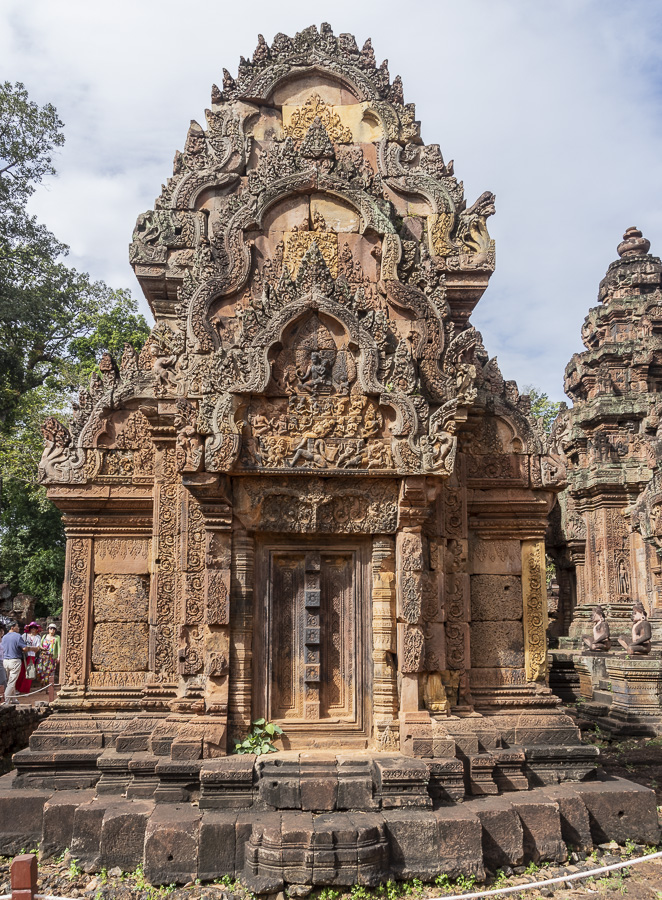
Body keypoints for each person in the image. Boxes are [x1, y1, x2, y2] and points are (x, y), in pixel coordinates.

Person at [1, 621, 28, 700]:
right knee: (11, 682)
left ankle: (13, 699)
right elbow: (24, 648)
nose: (18, 628)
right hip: (15, 661)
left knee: (10, 681)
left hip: (5, 661)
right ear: (12, 627)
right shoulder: (18, 636)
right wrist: (32, 648)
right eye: (17, 626)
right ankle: (5, 700)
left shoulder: (4, 637)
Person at [17, 622, 42, 693]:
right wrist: (31, 648)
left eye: (35, 628)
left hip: (32, 656)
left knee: (30, 672)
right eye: (32, 627)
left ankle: (25, 690)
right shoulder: (24, 636)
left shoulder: (38, 637)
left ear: (37, 629)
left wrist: (28, 648)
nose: (33, 629)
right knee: (21, 672)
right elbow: (21, 646)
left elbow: (37, 648)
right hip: (23, 656)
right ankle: (17, 688)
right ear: (29, 628)